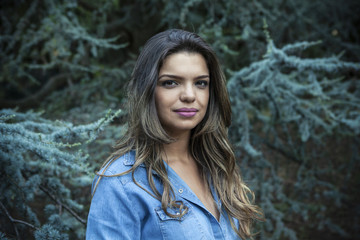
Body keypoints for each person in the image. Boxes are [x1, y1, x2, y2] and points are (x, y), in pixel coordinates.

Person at [86, 29, 263, 240]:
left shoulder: (218, 167)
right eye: (171, 82)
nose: (189, 95)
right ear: (148, 89)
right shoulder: (120, 183)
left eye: (201, 83)